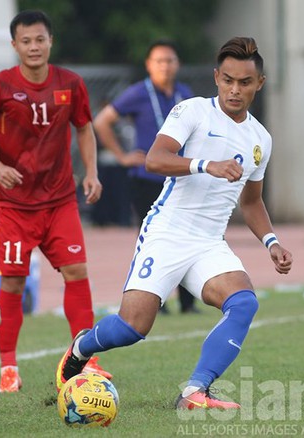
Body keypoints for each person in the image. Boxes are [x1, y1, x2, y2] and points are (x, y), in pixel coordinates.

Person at [56, 36, 293, 409]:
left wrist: (271, 242)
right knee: (132, 327)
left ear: (259, 84)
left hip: (209, 243)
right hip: (167, 232)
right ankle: (80, 347)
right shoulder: (192, 111)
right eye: (228, 79)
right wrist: (205, 165)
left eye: (244, 82)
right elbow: (155, 158)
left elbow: (251, 201)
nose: (235, 89)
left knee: (244, 302)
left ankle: (194, 391)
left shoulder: (260, 138)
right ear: (216, 77)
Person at [0, 9, 110, 394]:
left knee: (77, 271)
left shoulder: (71, 83)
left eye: (39, 39)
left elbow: (84, 129)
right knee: (11, 285)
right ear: (14, 45)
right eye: (25, 41)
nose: (33, 47)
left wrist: (92, 172)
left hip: (60, 200)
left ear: (50, 42)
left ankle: (88, 359)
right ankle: (8, 368)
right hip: (14, 207)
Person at [93, 39, 198, 314]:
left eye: (170, 60)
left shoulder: (184, 94)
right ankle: (156, 301)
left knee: (187, 237)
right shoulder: (138, 93)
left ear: (178, 64)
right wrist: (122, 156)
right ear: (149, 65)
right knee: (155, 240)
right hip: (147, 178)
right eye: (159, 61)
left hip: (181, 178)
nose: (165, 66)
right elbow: (102, 121)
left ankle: (188, 303)